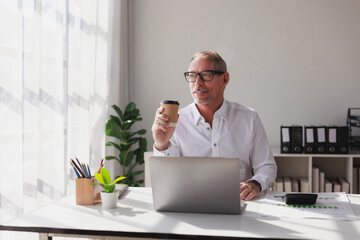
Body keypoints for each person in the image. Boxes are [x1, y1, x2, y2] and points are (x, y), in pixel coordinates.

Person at [151, 50, 277, 201]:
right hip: (191, 203)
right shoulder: (177, 122)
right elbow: (168, 179)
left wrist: (255, 184)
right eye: (192, 76)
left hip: (240, 202)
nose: (197, 84)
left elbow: (266, 166)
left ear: (225, 79)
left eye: (206, 75)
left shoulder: (249, 118)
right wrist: (162, 144)